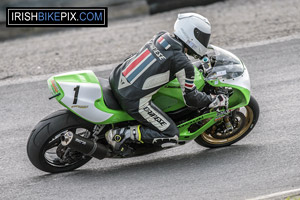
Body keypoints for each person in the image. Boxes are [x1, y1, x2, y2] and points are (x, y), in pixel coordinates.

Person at [106, 13, 228, 151]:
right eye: (203, 37)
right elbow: (191, 99)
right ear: (192, 35)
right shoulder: (183, 64)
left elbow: (163, 61)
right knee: (171, 135)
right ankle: (121, 134)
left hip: (117, 76)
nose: (204, 41)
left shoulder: (162, 36)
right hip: (132, 99)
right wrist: (212, 99)